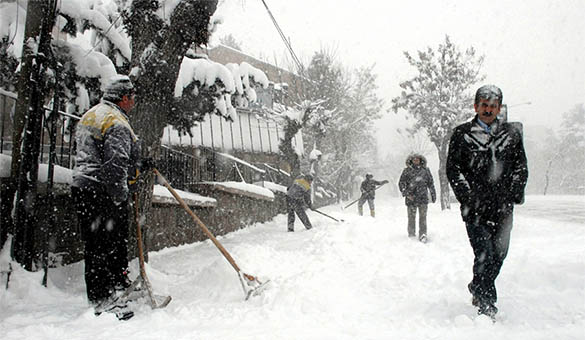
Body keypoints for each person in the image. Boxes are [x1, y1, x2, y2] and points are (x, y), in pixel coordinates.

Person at [446, 85, 528, 319]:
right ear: (476, 106)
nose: (488, 110)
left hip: (503, 207)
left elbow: (520, 167)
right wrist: (468, 197)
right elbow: (453, 170)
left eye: (493, 106)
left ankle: (477, 285)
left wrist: (514, 192)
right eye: (484, 105)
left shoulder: (511, 134)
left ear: (499, 108)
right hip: (475, 208)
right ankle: (486, 302)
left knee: (499, 255)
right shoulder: (462, 134)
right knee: (485, 252)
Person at [72, 75, 146, 318]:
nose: (133, 102)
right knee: (105, 244)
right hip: (101, 190)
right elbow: (115, 163)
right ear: (123, 98)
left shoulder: (93, 114)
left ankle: (118, 284)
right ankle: (103, 298)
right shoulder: (116, 122)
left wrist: (140, 163)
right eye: (132, 97)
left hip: (84, 187)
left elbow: (97, 151)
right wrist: (120, 195)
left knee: (103, 242)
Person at [398, 154, 436, 243]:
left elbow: (431, 183)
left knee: (423, 217)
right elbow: (401, 183)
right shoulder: (406, 171)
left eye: (417, 159)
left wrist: (433, 194)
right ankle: (411, 234)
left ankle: (423, 234)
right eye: (414, 160)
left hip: (423, 198)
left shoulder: (426, 171)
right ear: (411, 161)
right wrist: (407, 193)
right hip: (411, 198)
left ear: (420, 160)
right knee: (411, 217)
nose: (416, 161)